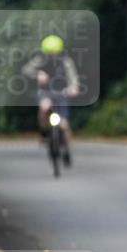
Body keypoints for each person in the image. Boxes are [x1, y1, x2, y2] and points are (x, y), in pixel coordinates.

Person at [21, 35, 80, 165]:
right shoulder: (39, 60)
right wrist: (38, 74)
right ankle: (43, 132)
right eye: (49, 52)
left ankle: (67, 150)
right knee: (44, 107)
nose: (51, 55)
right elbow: (26, 70)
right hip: (46, 92)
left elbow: (73, 76)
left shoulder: (66, 61)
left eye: (54, 52)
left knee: (64, 124)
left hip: (62, 94)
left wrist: (74, 87)